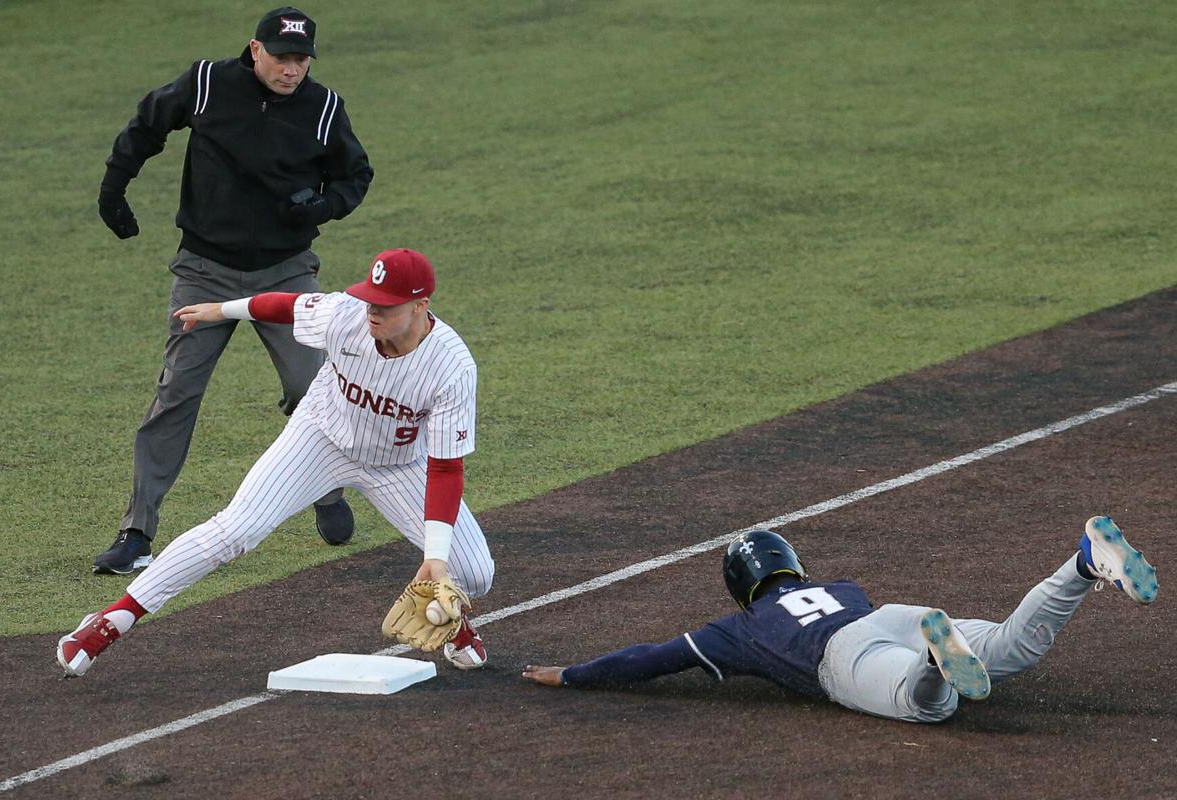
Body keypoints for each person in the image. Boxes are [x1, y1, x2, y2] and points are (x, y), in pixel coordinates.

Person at [58, 248, 494, 675]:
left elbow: (445, 468)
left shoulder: (451, 366)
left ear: (421, 305)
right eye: (370, 299)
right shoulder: (346, 314)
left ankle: (447, 620)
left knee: (472, 574)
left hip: (399, 466)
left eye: (386, 304)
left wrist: (435, 557)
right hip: (320, 438)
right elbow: (284, 306)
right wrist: (223, 310)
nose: (372, 311)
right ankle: (110, 621)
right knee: (236, 530)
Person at [92, 6, 375, 575]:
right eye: (281, 56)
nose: (292, 69)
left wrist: (321, 207)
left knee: (313, 385)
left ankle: (325, 489)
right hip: (204, 271)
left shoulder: (324, 109)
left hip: (286, 274)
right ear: (255, 49)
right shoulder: (206, 84)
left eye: (301, 59)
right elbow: (148, 123)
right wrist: (114, 187)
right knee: (176, 395)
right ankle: (137, 532)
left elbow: (355, 175)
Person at [522, 517, 1158, 723]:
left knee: (926, 706)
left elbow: (655, 659)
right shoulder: (841, 586)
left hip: (845, 658)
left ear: (742, 588)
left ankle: (934, 664)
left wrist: (574, 674)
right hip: (893, 615)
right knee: (1011, 649)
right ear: (794, 564)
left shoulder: (738, 629)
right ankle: (1080, 564)